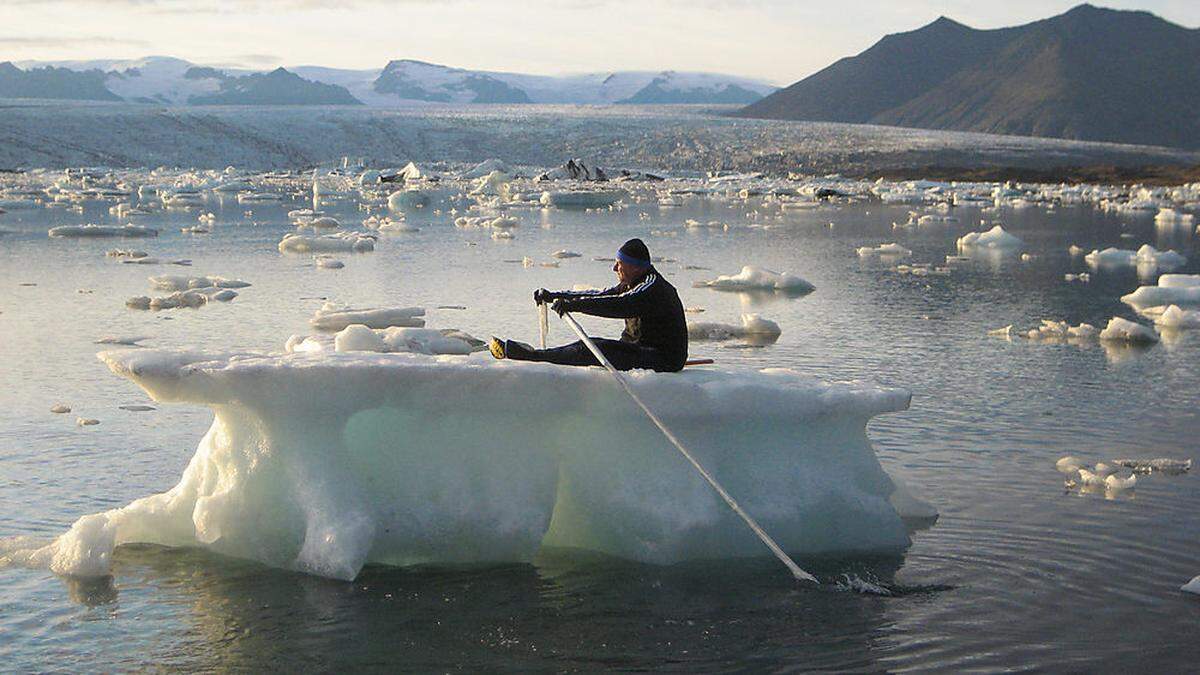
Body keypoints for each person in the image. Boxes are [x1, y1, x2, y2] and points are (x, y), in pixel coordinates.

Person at [489, 238, 688, 372]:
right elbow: (599, 294)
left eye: (619, 263)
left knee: (592, 348)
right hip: (639, 349)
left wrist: (574, 306)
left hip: (661, 358)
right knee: (592, 346)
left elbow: (620, 305)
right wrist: (555, 296)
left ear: (635, 267)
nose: (614, 268)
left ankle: (532, 357)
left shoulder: (652, 287)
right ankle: (536, 355)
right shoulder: (632, 283)